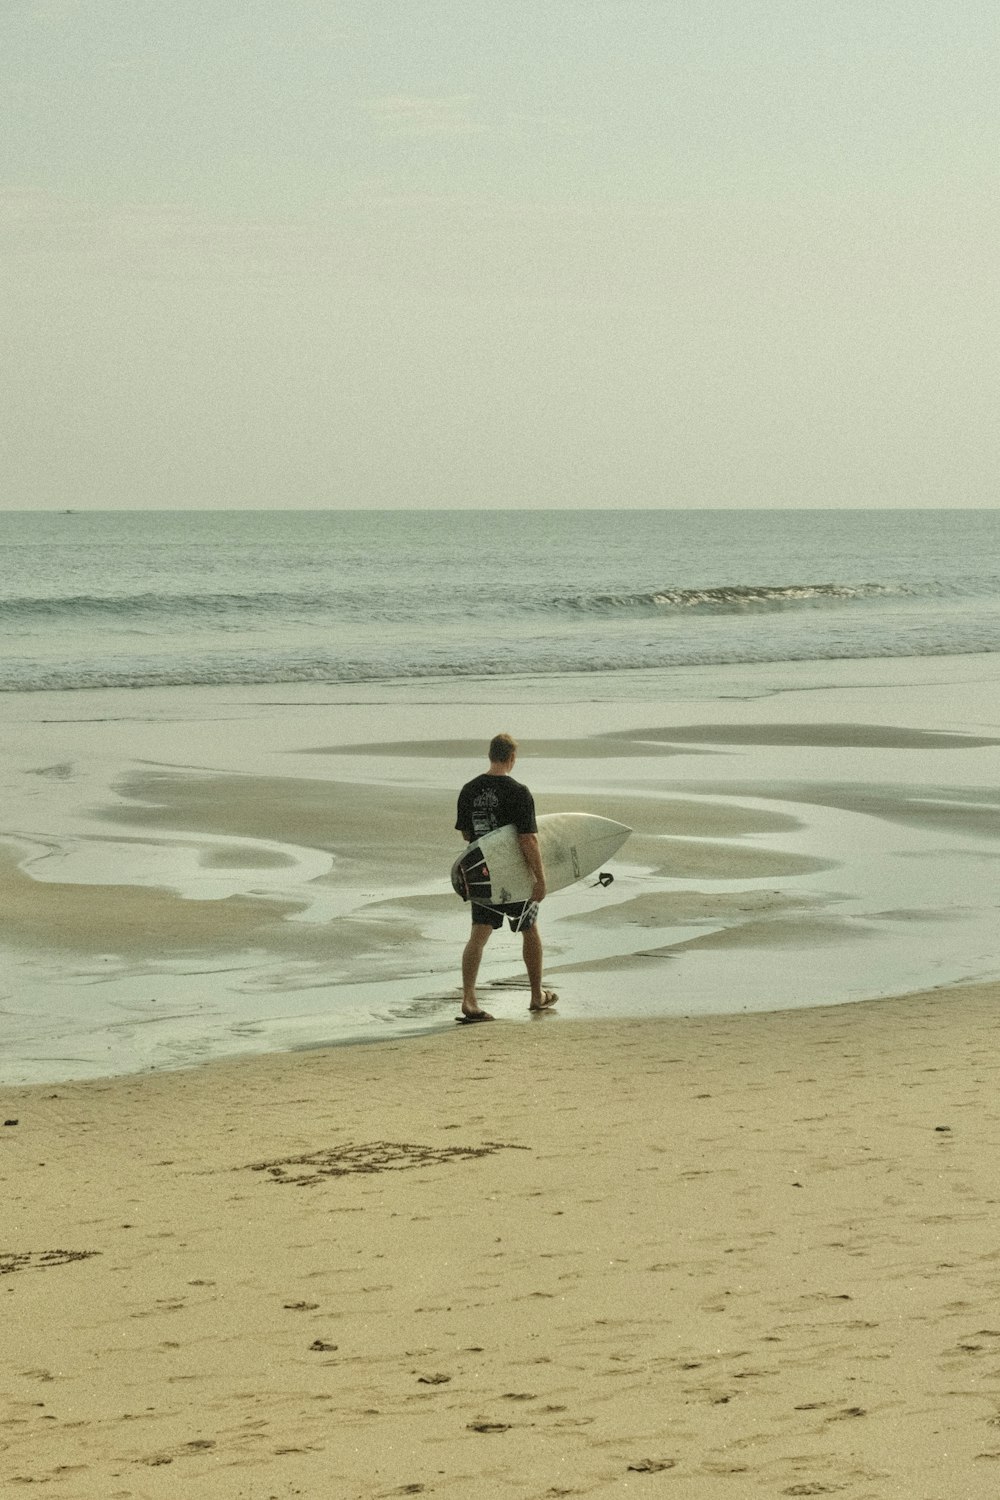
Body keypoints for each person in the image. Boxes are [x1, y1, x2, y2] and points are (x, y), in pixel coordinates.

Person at [455, 733, 558, 1021]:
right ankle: (537, 996)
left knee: (478, 935)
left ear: (490, 755)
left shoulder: (469, 790)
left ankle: (469, 999)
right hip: (514, 876)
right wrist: (540, 878)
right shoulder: (519, 792)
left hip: (483, 875)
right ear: (512, 758)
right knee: (529, 927)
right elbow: (528, 840)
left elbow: (467, 834)